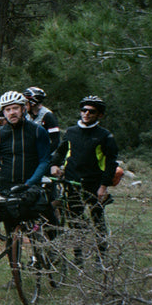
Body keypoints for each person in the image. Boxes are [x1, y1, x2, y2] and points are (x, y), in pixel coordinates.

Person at [50, 95, 118, 257]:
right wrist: (53, 165)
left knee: (98, 221)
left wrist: (103, 187)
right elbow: (60, 151)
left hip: (94, 184)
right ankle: (78, 257)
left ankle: (102, 258)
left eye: (91, 111)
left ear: (99, 115)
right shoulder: (71, 132)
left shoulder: (105, 136)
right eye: (83, 110)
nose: (86, 114)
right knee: (75, 221)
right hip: (71, 182)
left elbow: (111, 163)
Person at [0, 91, 51, 195]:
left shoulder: (38, 131)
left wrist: (30, 183)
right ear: (4, 113)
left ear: (23, 109)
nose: (12, 112)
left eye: (15, 108)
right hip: (7, 188)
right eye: (8, 109)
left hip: (31, 188)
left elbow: (44, 161)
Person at [23, 86, 61, 151]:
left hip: (45, 155)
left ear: (33, 103)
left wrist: (45, 156)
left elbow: (55, 141)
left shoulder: (48, 116)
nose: (25, 106)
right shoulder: (27, 116)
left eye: (26, 103)